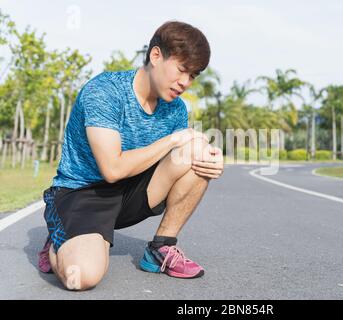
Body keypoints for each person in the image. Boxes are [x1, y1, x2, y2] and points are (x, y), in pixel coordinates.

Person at [37, 21, 224, 291]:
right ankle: (59, 237)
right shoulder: (105, 92)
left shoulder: (175, 109)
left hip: (131, 193)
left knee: (196, 150)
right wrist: (172, 139)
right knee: (83, 277)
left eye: (193, 75)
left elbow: (184, 153)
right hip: (84, 194)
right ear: (156, 56)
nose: (185, 83)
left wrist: (211, 160)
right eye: (182, 70)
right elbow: (112, 169)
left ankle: (161, 248)